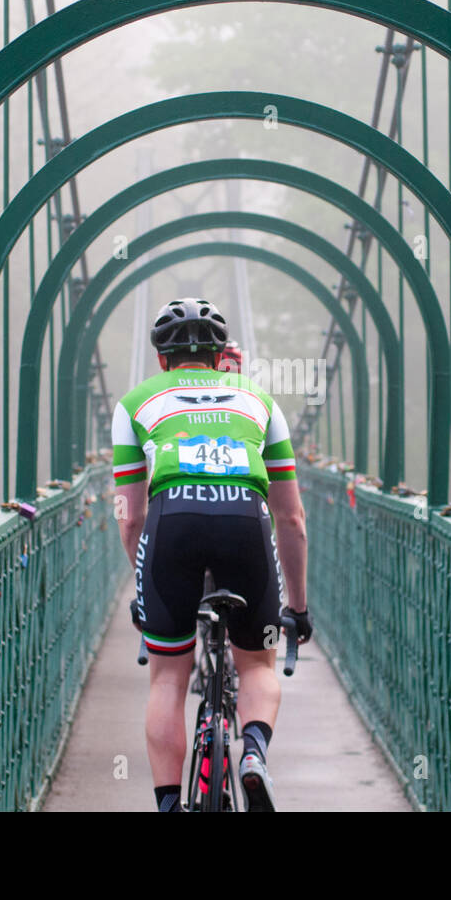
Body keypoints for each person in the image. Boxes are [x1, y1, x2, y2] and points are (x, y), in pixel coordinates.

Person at [112, 297, 311, 812]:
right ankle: (254, 757)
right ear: (223, 354)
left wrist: (143, 588)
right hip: (245, 520)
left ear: (162, 362)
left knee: (169, 677)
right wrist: (299, 609)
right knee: (257, 665)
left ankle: (169, 803)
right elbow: (292, 519)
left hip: (170, 521)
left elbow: (129, 515)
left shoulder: (135, 402)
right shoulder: (260, 401)